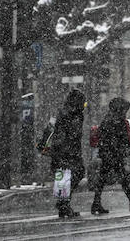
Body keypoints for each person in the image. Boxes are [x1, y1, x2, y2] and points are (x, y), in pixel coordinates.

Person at [90, 97, 130, 214]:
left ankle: (96, 203)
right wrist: (123, 146)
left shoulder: (109, 118)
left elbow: (104, 136)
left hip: (108, 153)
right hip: (113, 154)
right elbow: (119, 137)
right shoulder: (115, 120)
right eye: (124, 109)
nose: (125, 112)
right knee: (122, 178)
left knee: (103, 178)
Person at [45, 88, 86, 220]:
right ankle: (63, 204)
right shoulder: (69, 114)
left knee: (66, 175)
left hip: (67, 150)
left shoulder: (71, 113)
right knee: (69, 174)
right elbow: (68, 132)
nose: (83, 106)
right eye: (83, 103)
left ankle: (63, 204)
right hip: (65, 150)